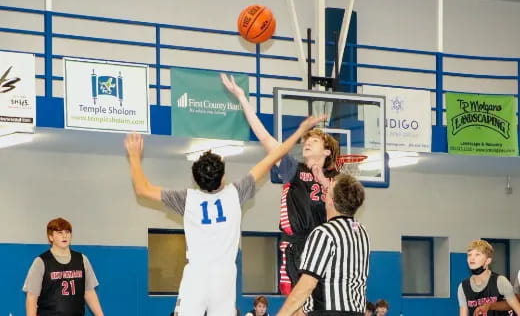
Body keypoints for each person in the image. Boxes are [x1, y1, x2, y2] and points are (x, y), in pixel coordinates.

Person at [125, 115, 326, 316]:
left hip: (196, 276)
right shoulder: (235, 192)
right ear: (223, 177)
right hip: (224, 277)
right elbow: (274, 155)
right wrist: (300, 131)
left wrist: (134, 156)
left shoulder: (187, 199)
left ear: (195, 180)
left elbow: (143, 189)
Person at [222, 73, 340, 296]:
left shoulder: (336, 181)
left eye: (313, 141)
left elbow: (345, 211)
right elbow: (266, 138)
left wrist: (325, 182)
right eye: (305, 141)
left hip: (323, 247)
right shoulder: (294, 169)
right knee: (296, 304)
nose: (307, 144)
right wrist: (242, 98)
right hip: (296, 246)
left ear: (326, 151)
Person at [276, 173, 370, 316]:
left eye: (328, 190)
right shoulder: (362, 232)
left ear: (331, 200)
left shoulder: (324, 232)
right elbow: (331, 283)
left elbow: (307, 285)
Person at [22, 217, 104, 316]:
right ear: (51, 237)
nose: (64, 236)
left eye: (67, 232)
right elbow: (32, 297)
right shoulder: (41, 262)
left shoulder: (82, 260)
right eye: (59, 233)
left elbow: (89, 292)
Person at [458, 240, 520, 316]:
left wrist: (491, 306)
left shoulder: (500, 281)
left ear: (488, 261)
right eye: (469, 255)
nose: (472, 258)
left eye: (477, 254)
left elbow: (517, 309)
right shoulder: (463, 287)